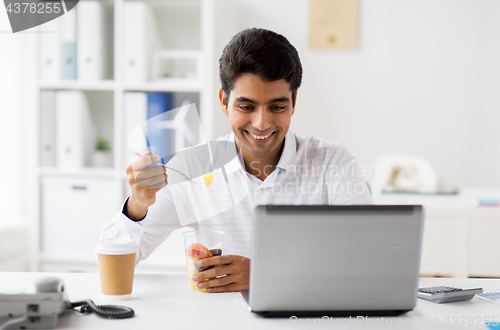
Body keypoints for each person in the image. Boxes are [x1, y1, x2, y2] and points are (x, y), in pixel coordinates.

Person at [100, 28, 373, 293]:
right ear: (224, 101)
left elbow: (368, 262)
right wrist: (138, 205)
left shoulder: (333, 163)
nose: (262, 123)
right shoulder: (192, 168)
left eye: (277, 107)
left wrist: (264, 274)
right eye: (246, 106)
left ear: (293, 103)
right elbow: (116, 254)